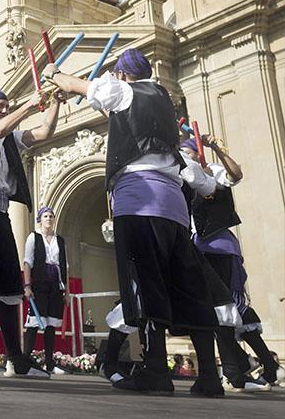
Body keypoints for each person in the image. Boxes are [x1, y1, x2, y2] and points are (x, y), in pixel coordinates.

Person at [44, 48, 224, 397]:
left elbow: (88, 89)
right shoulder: (163, 104)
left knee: (144, 283)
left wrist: (55, 75)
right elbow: (206, 184)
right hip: (173, 207)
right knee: (189, 287)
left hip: (137, 201)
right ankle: (210, 377)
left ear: (123, 75)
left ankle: (156, 370)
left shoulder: (125, 91)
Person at [0, 86, 65, 378]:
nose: (4, 110)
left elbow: (44, 133)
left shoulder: (11, 139)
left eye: (7, 106)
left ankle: (14, 358)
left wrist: (55, 103)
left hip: (0, 214)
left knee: (9, 286)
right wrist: (29, 105)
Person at [179, 137, 274, 391]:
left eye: (186, 151)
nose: (183, 155)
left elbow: (235, 174)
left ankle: (254, 367)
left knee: (230, 306)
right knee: (217, 310)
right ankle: (248, 367)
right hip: (198, 249)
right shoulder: (184, 177)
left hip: (220, 247)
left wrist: (216, 150)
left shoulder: (213, 171)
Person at [21, 206, 68, 375]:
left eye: (51, 216)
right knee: (34, 322)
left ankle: (49, 363)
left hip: (56, 285)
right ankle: (25, 359)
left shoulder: (60, 241)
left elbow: (64, 266)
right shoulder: (33, 237)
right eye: (45, 216)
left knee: (51, 324)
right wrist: (27, 286)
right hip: (39, 283)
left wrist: (66, 292)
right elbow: (27, 262)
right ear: (40, 219)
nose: (49, 219)